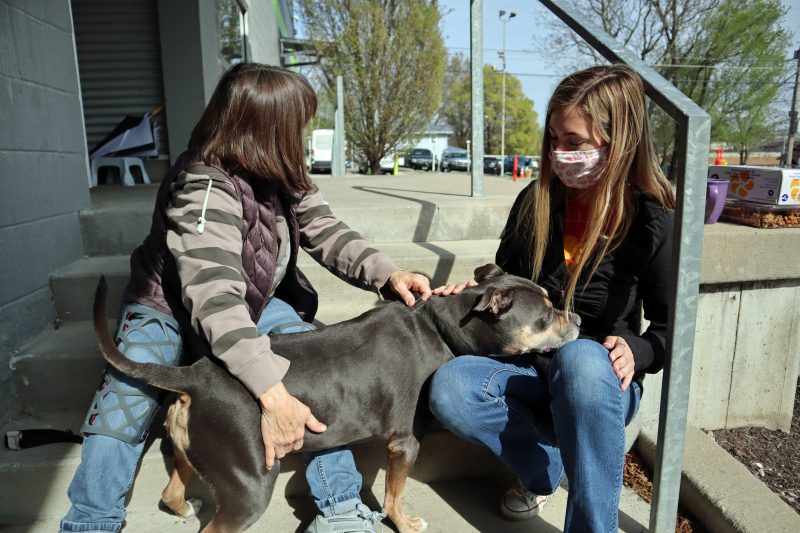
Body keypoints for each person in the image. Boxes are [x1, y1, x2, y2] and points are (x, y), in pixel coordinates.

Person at [59, 63, 432, 533]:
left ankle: (339, 510)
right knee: (123, 398)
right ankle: (90, 523)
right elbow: (213, 299)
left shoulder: (280, 172)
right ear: (266, 128)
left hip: (255, 301)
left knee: (323, 365)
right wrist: (273, 395)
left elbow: (325, 229)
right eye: (298, 123)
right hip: (167, 307)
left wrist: (388, 273)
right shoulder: (203, 188)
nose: (303, 133)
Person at [429, 64, 675, 532]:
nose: (559, 152)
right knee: (452, 386)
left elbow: (670, 331)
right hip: (527, 367)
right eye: (554, 138)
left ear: (616, 139)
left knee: (581, 360)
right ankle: (544, 467)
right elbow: (502, 282)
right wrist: (468, 297)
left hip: (597, 381)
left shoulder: (651, 220)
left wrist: (637, 350)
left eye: (575, 142)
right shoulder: (535, 200)